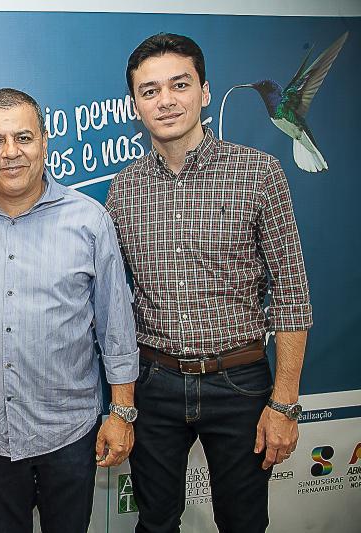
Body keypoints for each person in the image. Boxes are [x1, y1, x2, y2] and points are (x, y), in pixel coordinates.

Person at [106, 33, 312, 532]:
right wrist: (124, 404)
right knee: (155, 522)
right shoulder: (123, 190)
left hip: (239, 383)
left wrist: (284, 404)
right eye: (150, 90)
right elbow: (110, 303)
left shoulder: (259, 173)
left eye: (179, 85)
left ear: (205, 92)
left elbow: (291, 295)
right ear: (135, 105)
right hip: (154, 384)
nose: (165, 100)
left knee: (244, 523)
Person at [0, 88, 139, 533]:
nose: (11, 153)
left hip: (68, 432)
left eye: (23, 137)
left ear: (45, 142)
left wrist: (122, 412)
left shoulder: (89, 220)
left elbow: (116, 328)